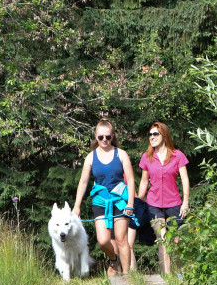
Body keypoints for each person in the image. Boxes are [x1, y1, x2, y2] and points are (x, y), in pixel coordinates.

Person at [73, 118, 136, 276]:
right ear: (96, 136)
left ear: (112, 136)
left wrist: (130, 204)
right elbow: (83, 182)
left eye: (108, 137)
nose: (104, 140)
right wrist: (77, 206)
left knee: (121, 239)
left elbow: (131, 180)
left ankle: (127, 276)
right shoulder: (91, 157)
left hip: (119, 199)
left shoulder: (121, 154)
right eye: (101, 137)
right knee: (103, 241)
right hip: (100, 200)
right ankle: (114, 260)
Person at [137, 121, 190, 276]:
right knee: (162, 238)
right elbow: (144, 181)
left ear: (164, 135)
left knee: (176, 240)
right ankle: (166, 276)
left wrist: (185, 202)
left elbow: (185, 180)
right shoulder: (147, 157)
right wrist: (139, 202)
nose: (151, 137)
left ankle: (180, 275)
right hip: (153, 204)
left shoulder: (177, 156)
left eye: (155, 134)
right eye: (150, 134)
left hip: (174, 203)